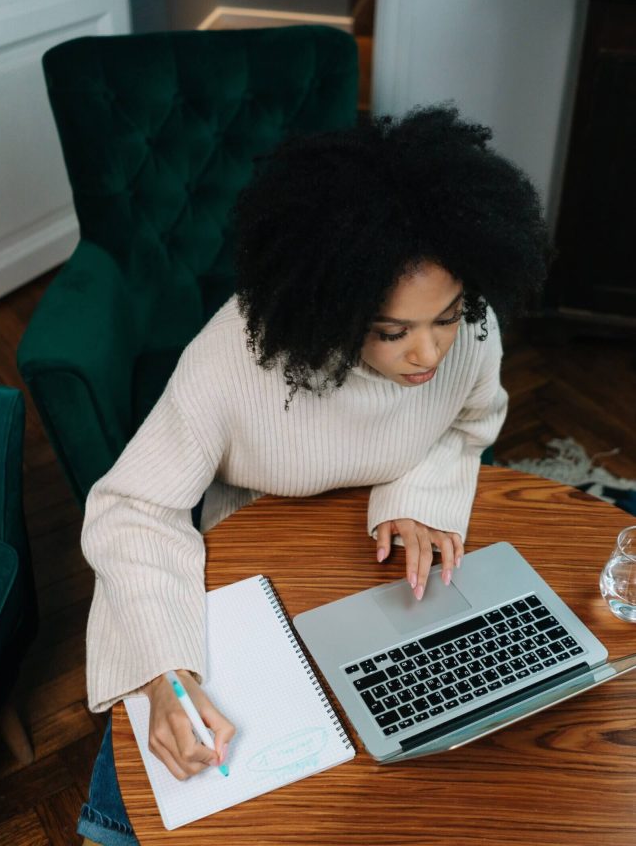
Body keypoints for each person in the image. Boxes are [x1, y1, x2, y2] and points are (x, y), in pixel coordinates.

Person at [77, 105, 548, 845]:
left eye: (446, 318)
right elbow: (132, 507)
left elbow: (469, 421)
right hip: (252, 552)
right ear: (331, 307)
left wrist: (417, 493)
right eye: (391, 332)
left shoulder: (471, 330)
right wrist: (162, 672)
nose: (428, 353)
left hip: (380, 566)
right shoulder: (228, 360)